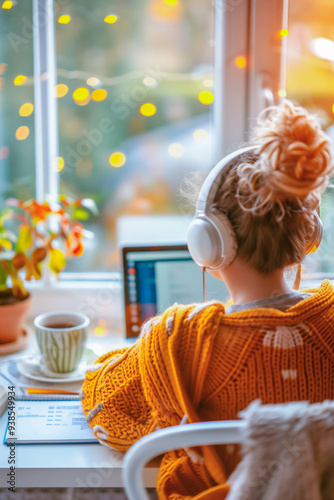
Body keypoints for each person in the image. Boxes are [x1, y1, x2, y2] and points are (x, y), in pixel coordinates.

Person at [81, 100, 334, 500]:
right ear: (309, 236)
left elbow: (103, 410)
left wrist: (140, 355)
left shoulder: (176, 341)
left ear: (209, 242)